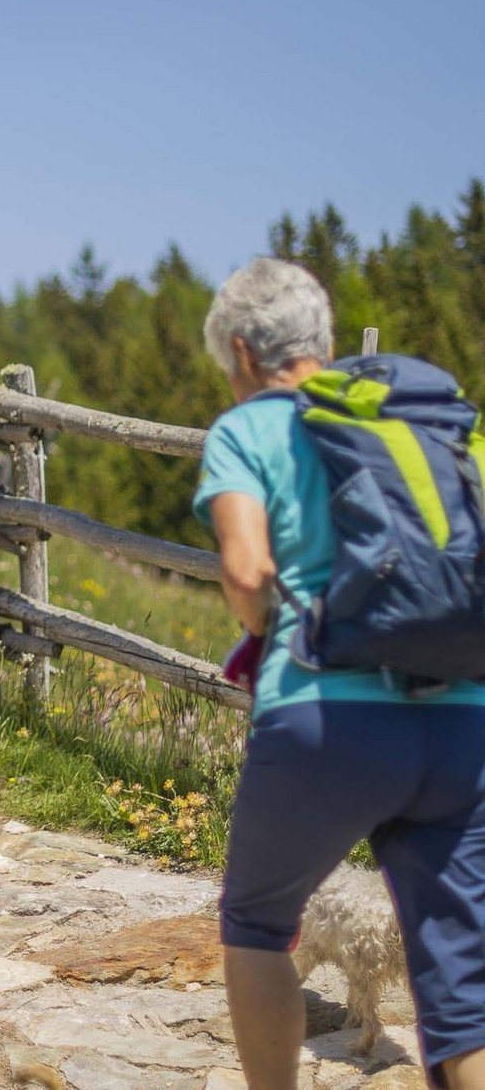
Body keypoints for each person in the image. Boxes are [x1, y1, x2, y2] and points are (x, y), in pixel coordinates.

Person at [194, 257, 485, 1090]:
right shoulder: (430, 429)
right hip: (464, 715)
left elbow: (248, 575)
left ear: (245, 352)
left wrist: (262, 630)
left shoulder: (249, 428)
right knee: (463, 1001)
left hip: (329, 717)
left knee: (255, 925)